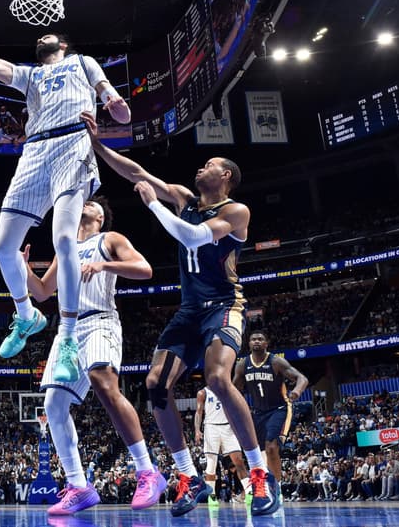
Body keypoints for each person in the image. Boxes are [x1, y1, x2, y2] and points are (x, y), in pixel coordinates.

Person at [0, 4, 131, 384]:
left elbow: (117, 106)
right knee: (3, 247)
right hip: (34, 152)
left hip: (73, 143)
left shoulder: (83, 63)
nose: (41, 36)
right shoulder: (30, 75)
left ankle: (66, 338)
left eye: (49, 35)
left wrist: (116, 106)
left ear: (63, 44)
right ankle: (26, 314)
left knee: (64, 239)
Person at [83, 116, 280, 516]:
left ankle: (259, 474)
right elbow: (136, 172)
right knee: (155, 384)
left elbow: (191, 236)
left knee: (218, 379)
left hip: (225, 306)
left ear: (225, 175)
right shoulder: (185, 199)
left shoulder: (236, 211)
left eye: (208, 164)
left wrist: (153, 204)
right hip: (189, 311)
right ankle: (188, 477)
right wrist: (98, 144)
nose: (200, 167)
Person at [23, 196, 167, 514]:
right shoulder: (65, 248)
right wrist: (23, 268)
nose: (84, 203)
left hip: (100, 319)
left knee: (104, 383)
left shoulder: (109, 239)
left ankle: (148, 471)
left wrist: (104, 265)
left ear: (100, 217)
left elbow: (144, 269)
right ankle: (79, 486)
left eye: (91, 203)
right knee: (53, 405)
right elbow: (43, 292)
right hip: (68, 331)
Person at [233, 329, 308, 505]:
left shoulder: (275, 362)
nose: (257, 341)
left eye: (260, 339)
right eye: (253, 339)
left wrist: (296, 391)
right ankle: (263, 487)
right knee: (258, 453)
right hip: (257, 413)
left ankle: (277, 489)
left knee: (272, 447)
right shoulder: (242, 365)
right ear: (249, 344)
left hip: (279, 408)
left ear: (266, 343)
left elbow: (302, 378)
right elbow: (234, 389)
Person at [194, 386, 250, 505]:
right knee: (211, 464)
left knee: (239, 461)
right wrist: (197, 430)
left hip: (228, 427)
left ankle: (249, 493)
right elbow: (198, 412)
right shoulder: (203, 393)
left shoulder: (229, 389)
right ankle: (212, 495)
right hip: (211, 427)